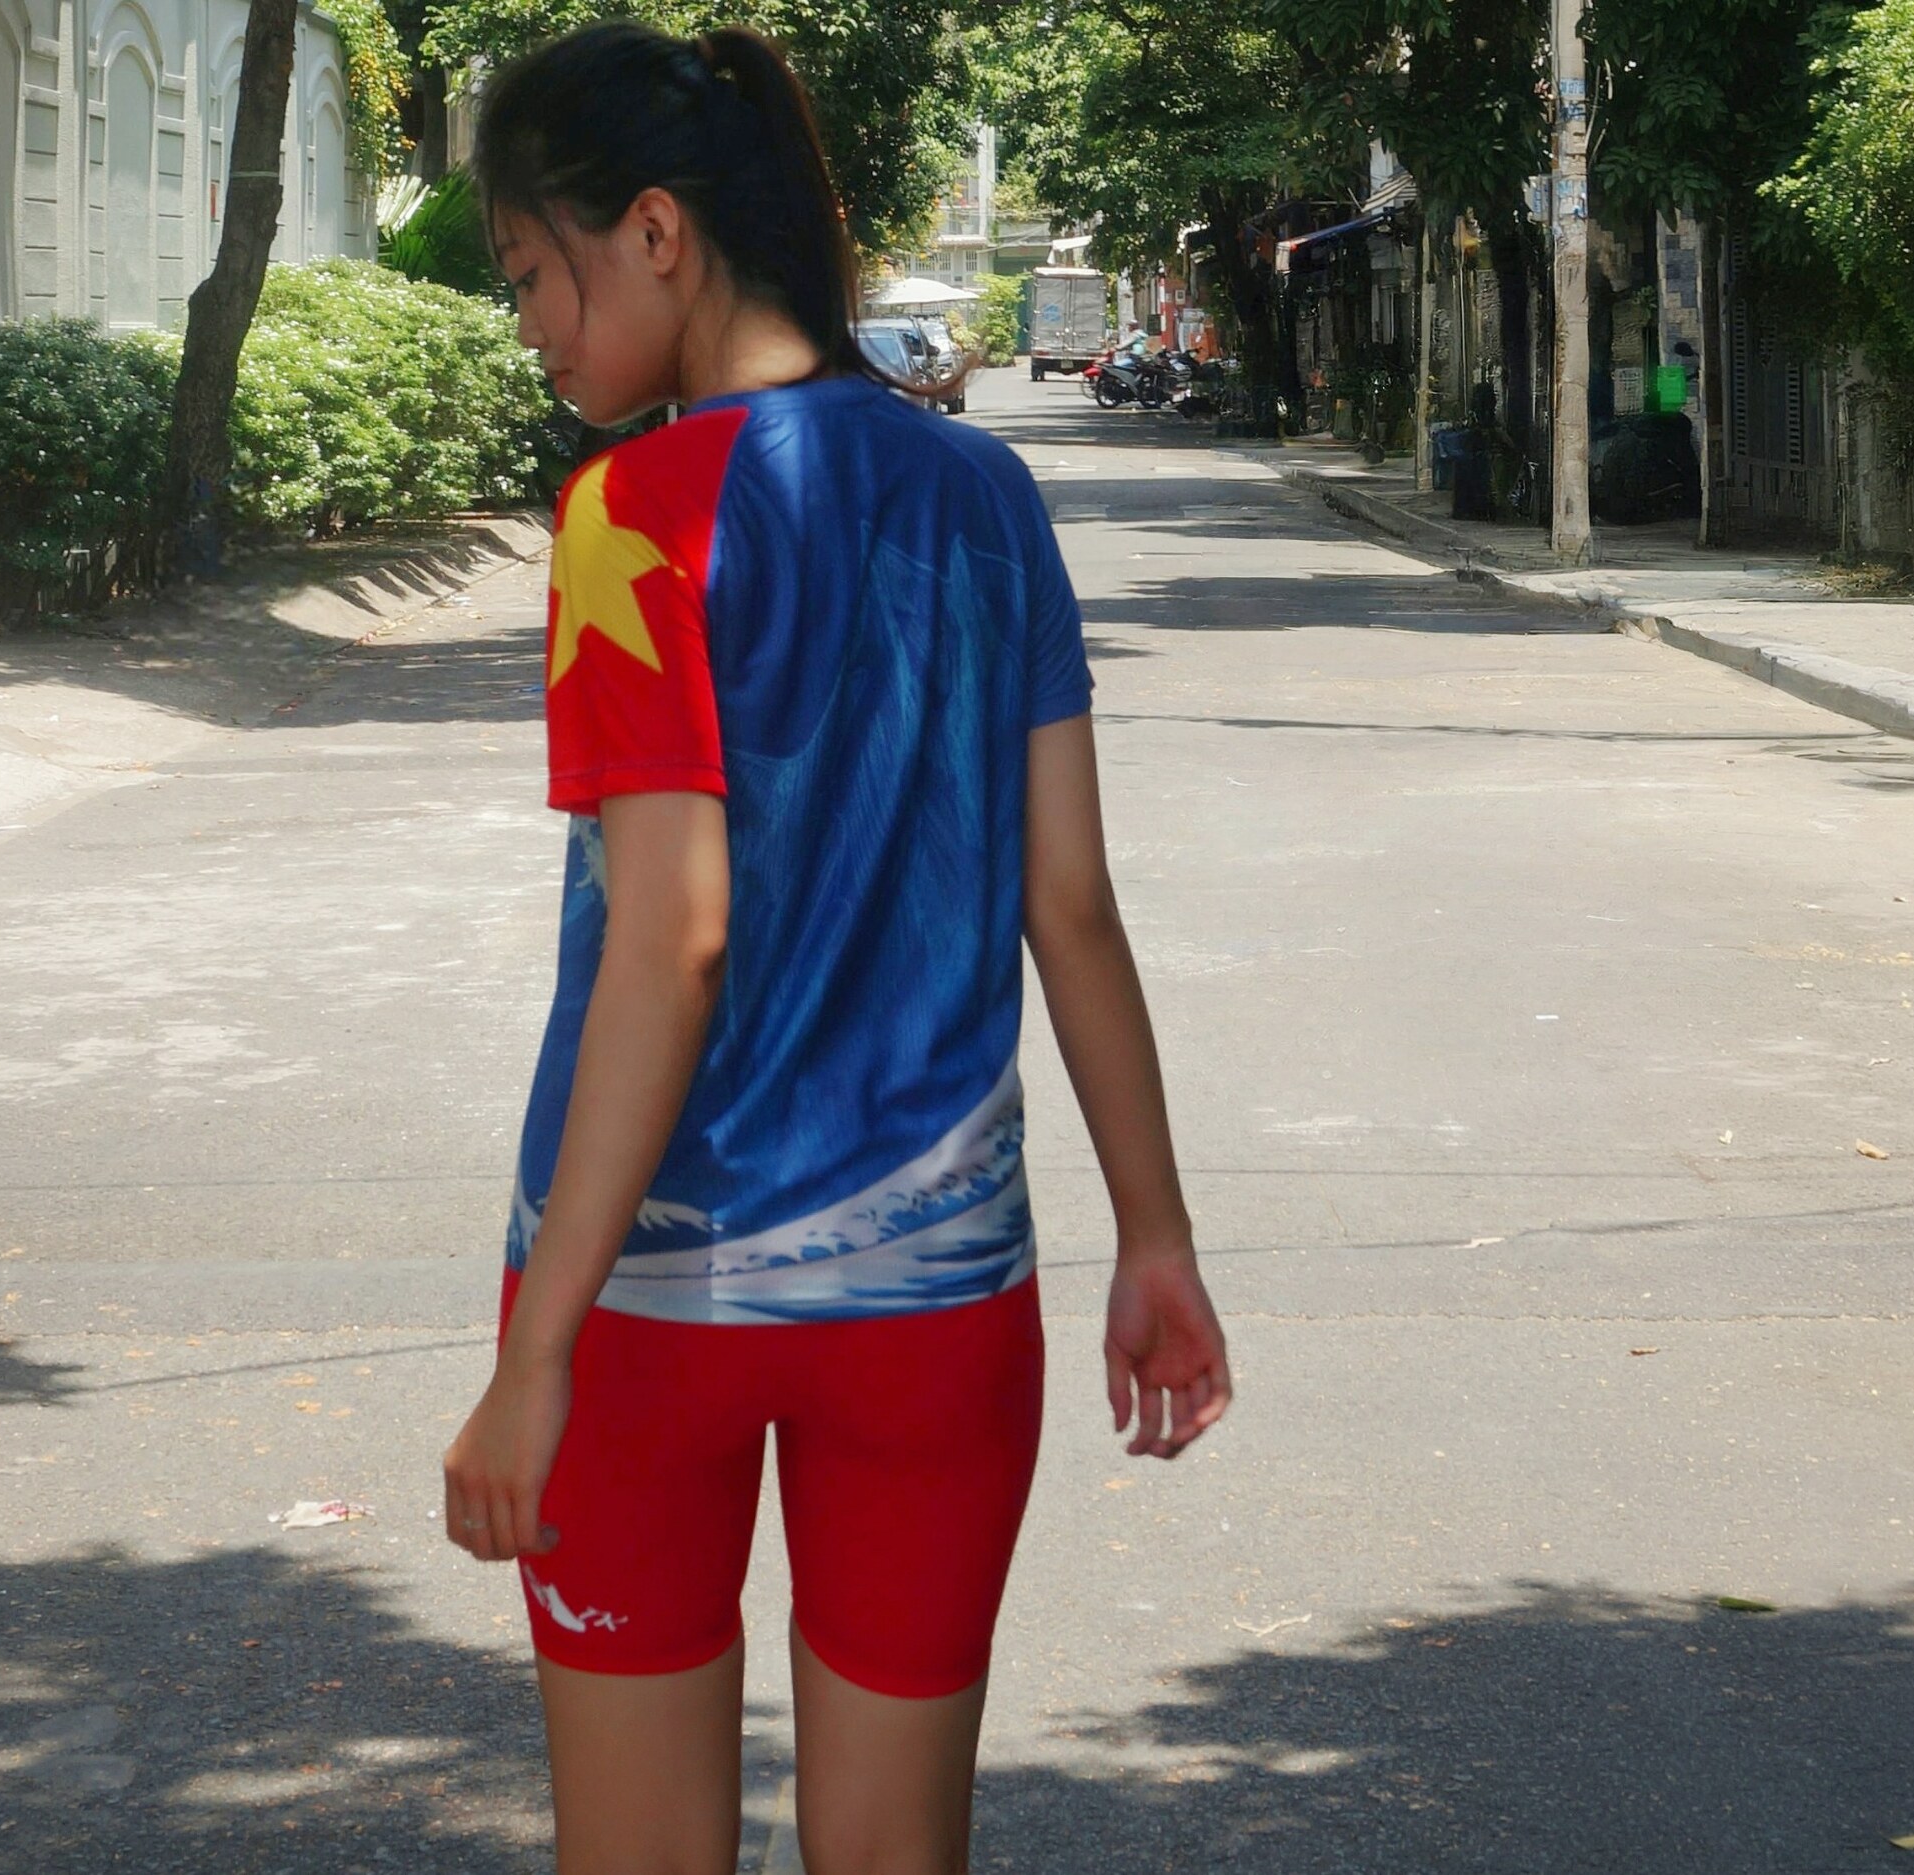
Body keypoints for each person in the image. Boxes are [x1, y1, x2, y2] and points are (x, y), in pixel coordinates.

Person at [444, 22, 1233, 1874]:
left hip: (643, 1305)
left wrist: (538, 1353)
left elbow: (676, 936)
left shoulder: (629, 516)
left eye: (534, 274)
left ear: (654, 234)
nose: (531, 328)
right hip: (935, 1299)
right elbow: (1070, 906)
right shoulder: (984, 498)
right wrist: (1157, 1238)